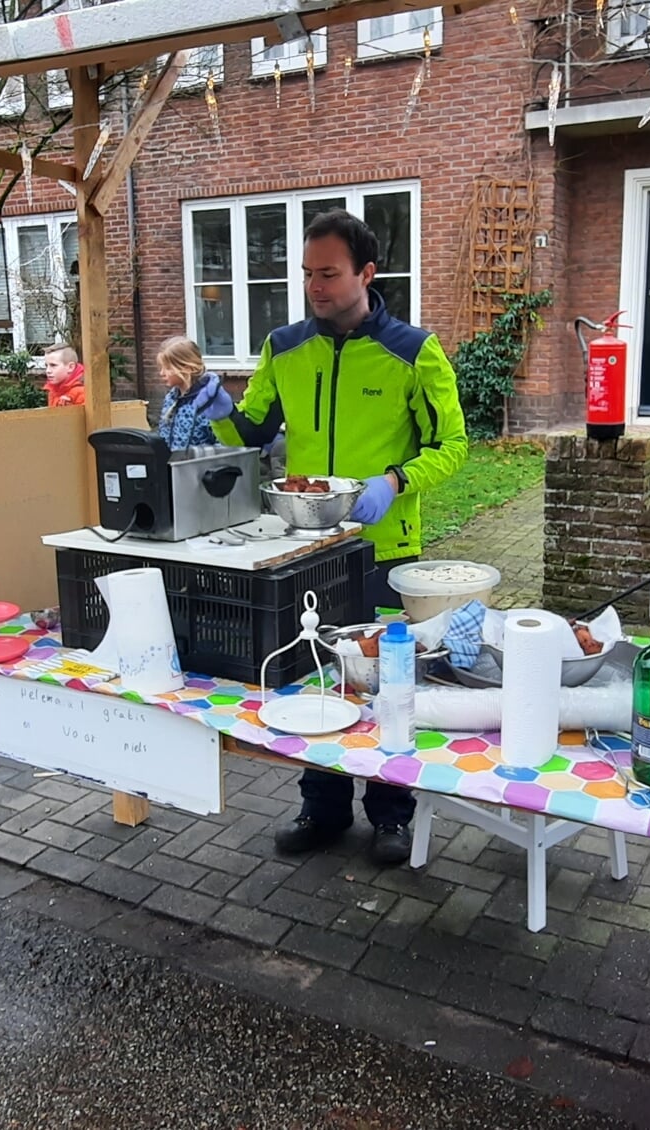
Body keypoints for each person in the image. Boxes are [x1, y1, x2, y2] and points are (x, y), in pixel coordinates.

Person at [199, 208, 469, 865]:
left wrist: (395, 480)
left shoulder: (413, 350)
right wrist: (217, 413)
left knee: (382, 681)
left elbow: (453, 446)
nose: (314, 287)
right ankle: (320, 808)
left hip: (384, 544)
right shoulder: (283, 345)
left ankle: (390, 815)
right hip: (304, 546)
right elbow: (255, 431)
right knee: (313, 675)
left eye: (329, 273)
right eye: (306, 274)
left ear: (366, 273)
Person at [152, 335, 219, 451]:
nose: (162, 373)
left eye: (167, 368)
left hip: (199, 466)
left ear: (188, 368)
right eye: (161, 368)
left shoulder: (209, 401)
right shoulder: (171, 398)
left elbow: (223, 445)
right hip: (172, 466)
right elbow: (163, 434)